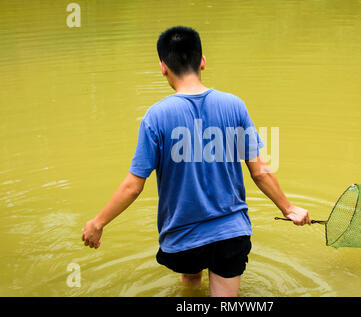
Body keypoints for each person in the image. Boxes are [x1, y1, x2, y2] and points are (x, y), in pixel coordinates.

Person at [82, 26, 311, 297]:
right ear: (202, 61)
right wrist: (288, 208)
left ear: (163, 67)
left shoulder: (155, 117)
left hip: (183, 238)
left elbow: (133, 186)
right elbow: (259, 171)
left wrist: (98, 223)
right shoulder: (234, 105)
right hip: (231, 233)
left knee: (190, 286)